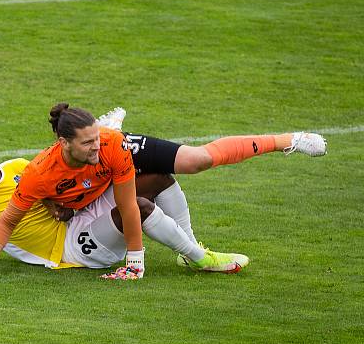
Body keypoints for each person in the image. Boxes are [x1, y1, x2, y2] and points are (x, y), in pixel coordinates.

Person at [0, 103, 249, 281]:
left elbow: (50, 186)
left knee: (158, 176)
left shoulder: (17, 166)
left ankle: (189, 247)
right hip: (68, 248)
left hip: (78, 216)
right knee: (137, 206)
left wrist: (59, 203)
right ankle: (201, 260)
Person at [95, 106, 326, 247]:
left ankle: (288, 140)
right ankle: (107, 131)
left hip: (113, 149)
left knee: (197, 159)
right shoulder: (59, 165)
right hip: (95, 166)